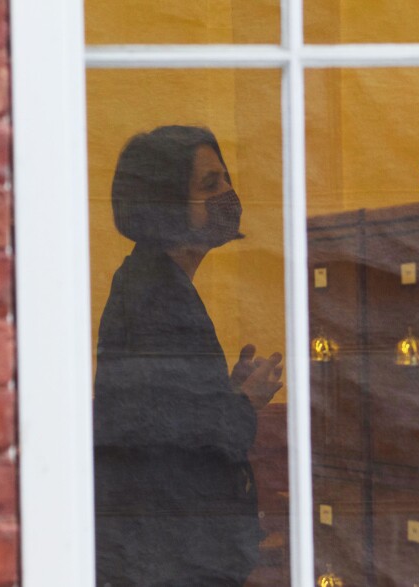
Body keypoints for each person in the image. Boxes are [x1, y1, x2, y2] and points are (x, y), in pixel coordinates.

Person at [93, 125, 284, 586]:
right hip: (170, 558)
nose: (229, 194)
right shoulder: (153, 295)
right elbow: (171, 432)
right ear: (164, 206)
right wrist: (245, 401)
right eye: (209, 185)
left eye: (226, 179)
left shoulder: (153, 284)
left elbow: (168, 406)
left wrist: (227, 390)